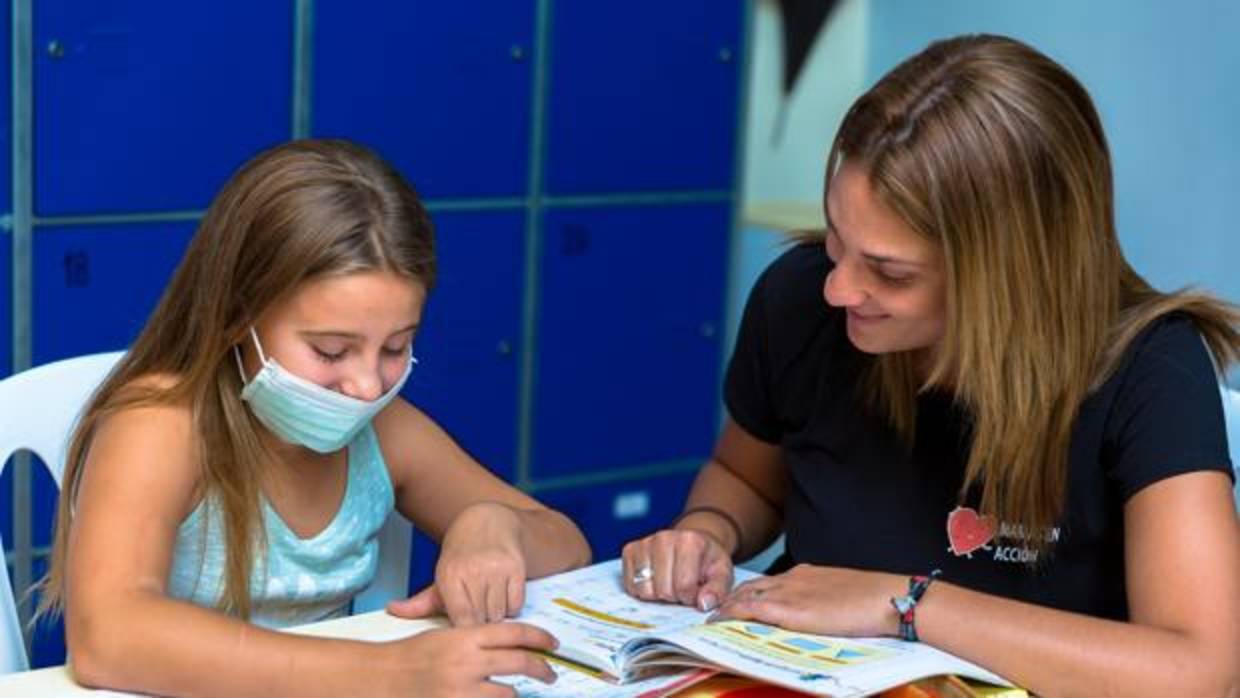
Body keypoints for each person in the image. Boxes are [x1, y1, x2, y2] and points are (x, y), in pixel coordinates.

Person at [622, 34, 1240, 696]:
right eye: (836, 236)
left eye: (888, 272)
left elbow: (1203, 672)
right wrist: (705, 533)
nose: (839, 288)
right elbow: (744, 477)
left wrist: (906, 606)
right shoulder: (800, 301)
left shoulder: (1152, 369)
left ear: (1010, 278)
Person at [38, 139, 591, 697]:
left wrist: (496, 527)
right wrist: (392, 674)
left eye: (397, 346)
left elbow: (568, 545)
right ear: (236, 316)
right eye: (331, 351)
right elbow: (108, 636)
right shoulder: (164, 423)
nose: (368, 386)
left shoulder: (387, 431)